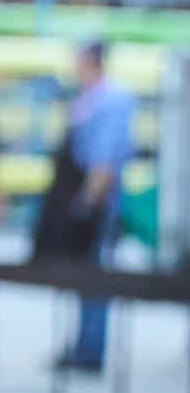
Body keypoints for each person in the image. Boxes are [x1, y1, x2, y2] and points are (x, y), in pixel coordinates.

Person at [36, 40, 136, 373]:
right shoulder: (85, 98)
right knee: (81, 275)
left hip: (98, 206)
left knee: (95, 276)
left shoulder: (111, 99)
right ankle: (82, 344)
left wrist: (87, 203)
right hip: (79, 199)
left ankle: (91, 350)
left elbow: (103, 162)